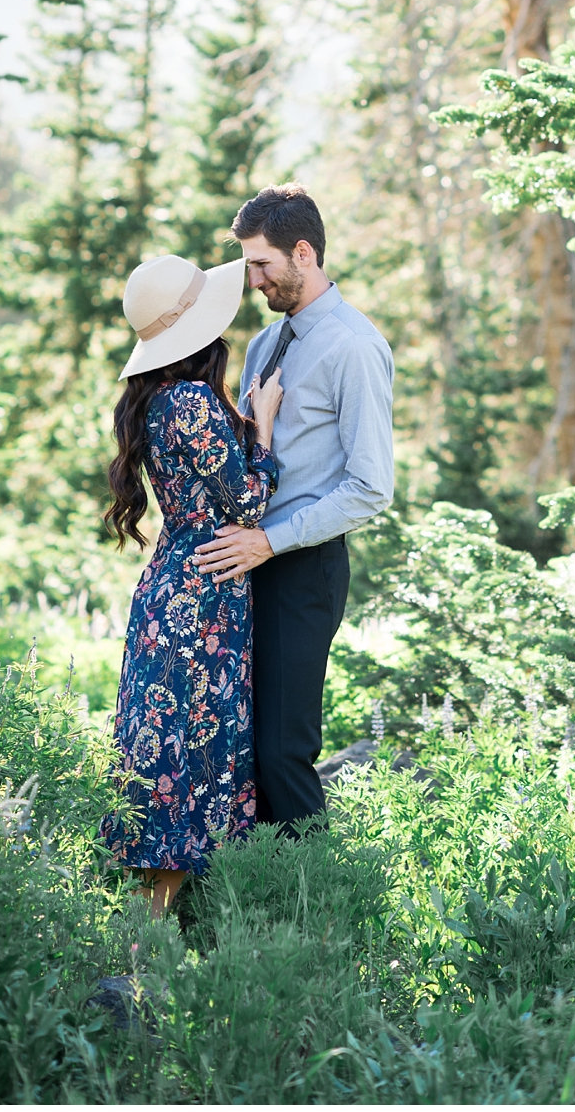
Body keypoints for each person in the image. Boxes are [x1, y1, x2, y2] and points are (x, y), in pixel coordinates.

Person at [193, 184, 394, 833]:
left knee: (284, 751)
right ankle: (254, 910)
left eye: (260, 263)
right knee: (244, 748)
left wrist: (271, 543)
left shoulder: (354, 346)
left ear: (302, 253)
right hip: (246, 566)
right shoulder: (264, 346)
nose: (251, 280)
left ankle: (319, 911)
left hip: (303, 568)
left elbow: (370, 486)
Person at [101, 254, 282, 912]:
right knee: (190, 758)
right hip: (203, 601)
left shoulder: (150, 398)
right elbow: (249, 505)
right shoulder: (194, 400)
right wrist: (261, 429)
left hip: (168, 594)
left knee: (159, 759)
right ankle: (145, 956)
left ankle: (143, 941)